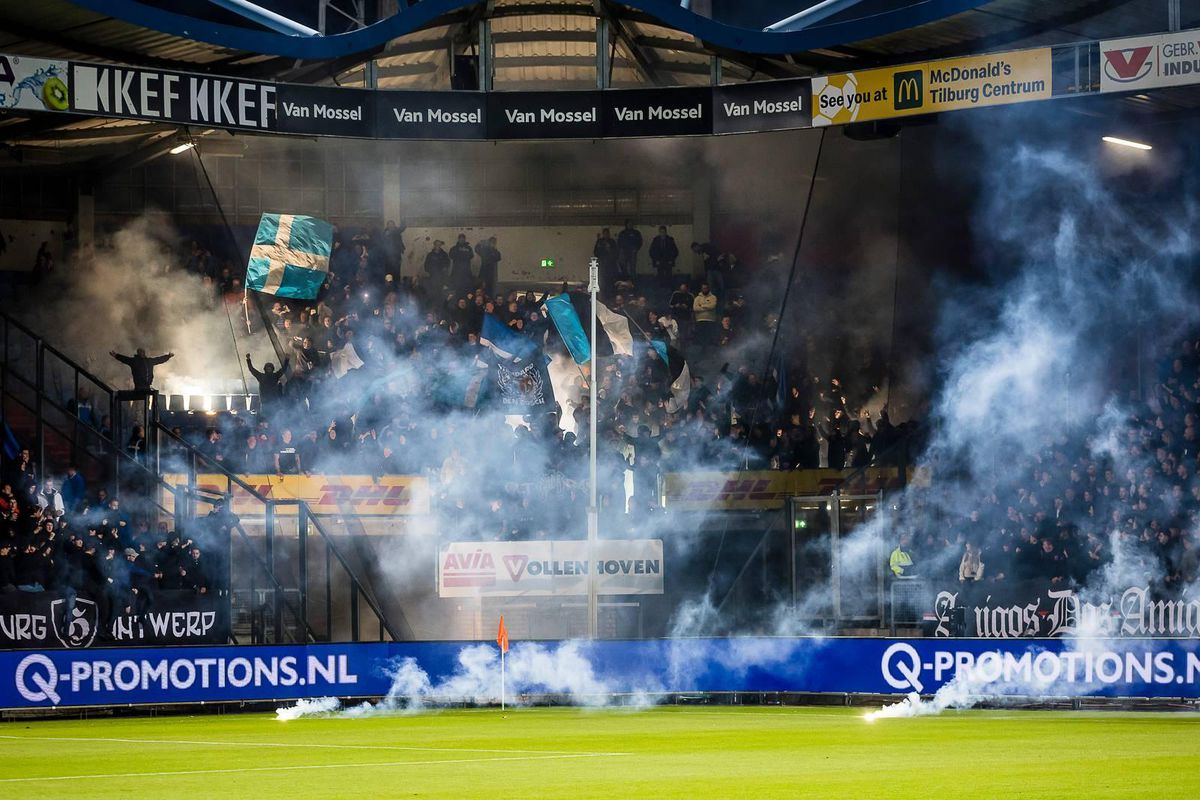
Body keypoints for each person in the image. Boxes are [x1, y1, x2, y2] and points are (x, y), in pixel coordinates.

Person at [246, 354, 289, 419]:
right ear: (265, 369)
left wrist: (287, 360)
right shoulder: (261, 376)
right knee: (265, 419)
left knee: (273, 419)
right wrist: (248, 360)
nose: (269, 369)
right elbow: (252, 369)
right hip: (265, 402)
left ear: (272, 369)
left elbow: (283, 369)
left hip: (272, 402)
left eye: (270, 368)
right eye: (267, 368)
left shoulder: (275, 376)